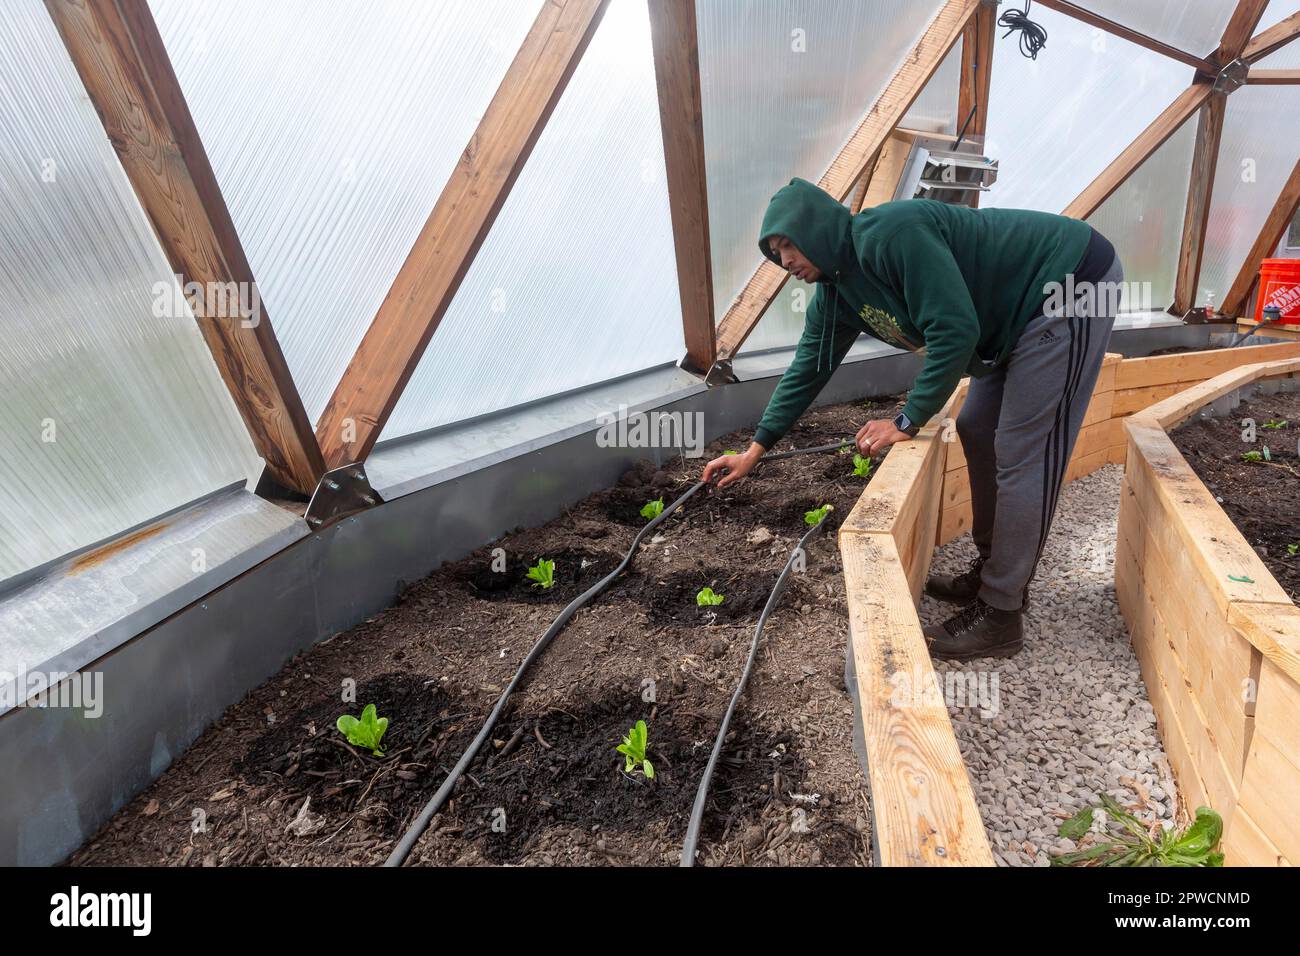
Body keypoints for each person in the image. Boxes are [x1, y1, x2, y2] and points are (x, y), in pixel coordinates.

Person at [701, 178, 1123, 661]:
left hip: (1067, 280)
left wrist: (907, 419)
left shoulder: (891, 235)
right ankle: (993, 571)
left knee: (1023, 450)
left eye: (788, 244)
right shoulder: (835, 295)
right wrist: (755, 450)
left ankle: (1001, 613)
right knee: (976, 427)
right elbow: (807, 370)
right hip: (1010, 319)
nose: (784, 261)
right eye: (775, 253)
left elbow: (954, 330)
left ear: (815, 228)